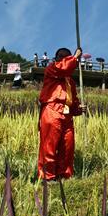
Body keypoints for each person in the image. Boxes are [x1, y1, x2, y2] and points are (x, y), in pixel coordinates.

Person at [38, 47, 84, 180]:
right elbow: (63, 67)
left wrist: (79, 109)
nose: (63, 59)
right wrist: (75, 57)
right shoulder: (52, 69)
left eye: (66, 56)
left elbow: (73, 101)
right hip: (52, 110)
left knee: (67, 147)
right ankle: (48, 177)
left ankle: (63, 175)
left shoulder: (71, 82)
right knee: (49, 146)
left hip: (67, 115)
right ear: (56, 59)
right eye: (60, 56)